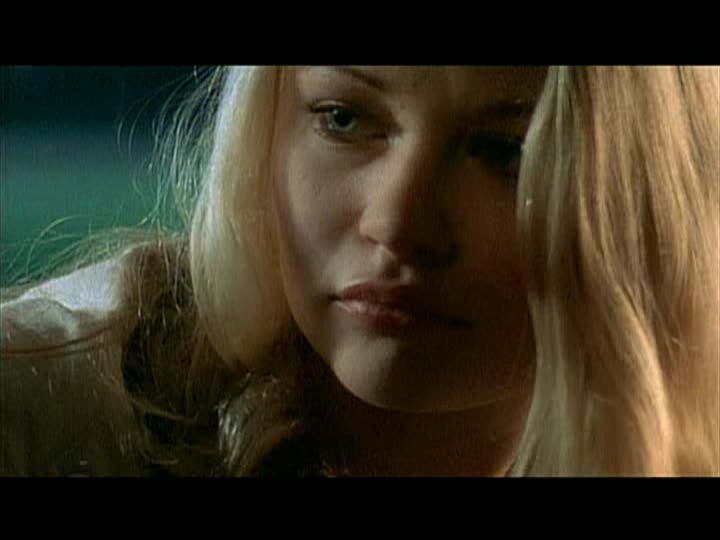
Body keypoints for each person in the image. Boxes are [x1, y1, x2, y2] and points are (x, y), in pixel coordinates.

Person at [1, 66, 717, 477]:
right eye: (343, 119)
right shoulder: (41, 416)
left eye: (507, 152)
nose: (399, 224)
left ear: (651, 197)